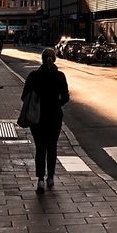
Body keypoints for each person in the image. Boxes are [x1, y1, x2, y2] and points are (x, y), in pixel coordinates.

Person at [21, 47, 70, 193]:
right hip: (54, 116)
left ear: (42, 59)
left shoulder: (34, 76)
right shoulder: (60, 76)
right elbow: (65, 97)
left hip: (37, 118)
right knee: (52, 147)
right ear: (54, 59)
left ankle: (40, 179)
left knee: (40, 148)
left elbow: (24, 97)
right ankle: (50, 177)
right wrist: (57, 104)